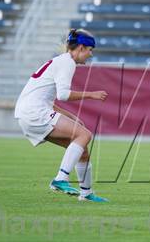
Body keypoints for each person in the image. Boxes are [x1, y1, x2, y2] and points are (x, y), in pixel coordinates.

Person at [14, 29, 109, 202]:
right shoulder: (68, 63)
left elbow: (49, 100)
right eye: (90, 50)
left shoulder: (61, 61)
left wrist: (71, 116)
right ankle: (60, 179)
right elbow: (63, 95)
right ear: (80, 47)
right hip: (34, 112)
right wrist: (91, 94)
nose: (90, 54)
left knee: (82, 150)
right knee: (85, 135)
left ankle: (86, 194)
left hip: (28, 113)